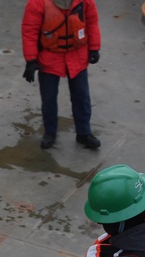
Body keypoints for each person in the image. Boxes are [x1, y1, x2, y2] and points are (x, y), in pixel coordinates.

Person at [21, 0, 101, 150]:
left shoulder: (86, 1)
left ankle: (84, 133)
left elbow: (92, 22)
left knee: (81, 96)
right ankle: (50, 133)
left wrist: (94, 47)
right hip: (49, 58)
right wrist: (31, 60)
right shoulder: (36, 3)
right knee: (49, 98)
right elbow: (29, 31)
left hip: (77, 56)